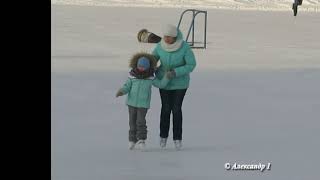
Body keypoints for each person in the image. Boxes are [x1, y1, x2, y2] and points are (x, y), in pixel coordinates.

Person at [152, 24, 197, 150]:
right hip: (164, 82)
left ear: (175, 37)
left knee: (176, 109)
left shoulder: (184, 47)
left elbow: (191, 65)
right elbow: (153, 59)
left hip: (180, 83)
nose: (167, 39)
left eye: (170, 37)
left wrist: (176, 72)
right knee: (165, 108)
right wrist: (150, 66)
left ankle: (177, 138)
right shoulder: (160, 46)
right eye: (165, 36)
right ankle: (163, 136)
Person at [116, 52, 170, 151]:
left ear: (148, 67)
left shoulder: (150, 77)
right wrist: (122, 91)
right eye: (139, 66)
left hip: (143, 104)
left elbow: (160, 84)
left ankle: (141, 139)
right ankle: (132, 139)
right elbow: (127, 86)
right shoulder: (132, 76)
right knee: (132, 122)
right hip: (131, 103)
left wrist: (166, 77)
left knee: (140, 121)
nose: (141, 68)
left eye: (143, 67)